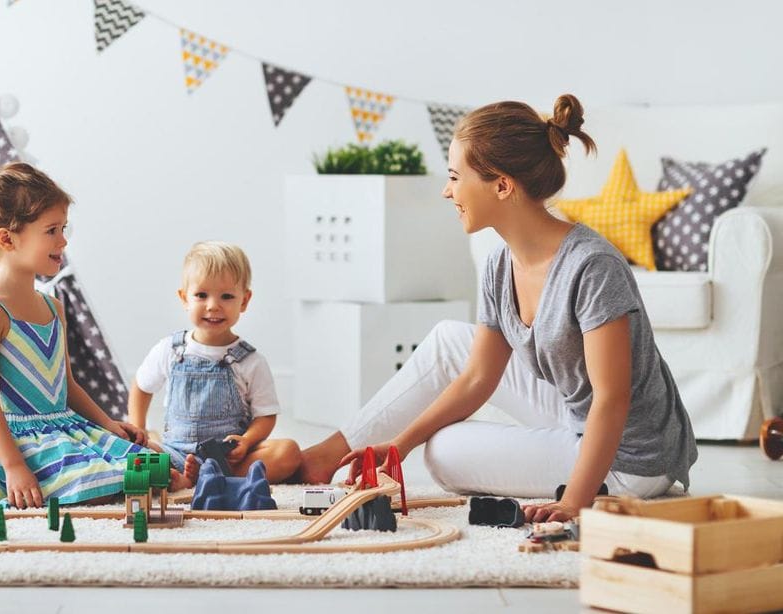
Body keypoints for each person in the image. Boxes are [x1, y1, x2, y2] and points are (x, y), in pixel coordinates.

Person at [299, 94, 698, 522]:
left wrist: (572, 502)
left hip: (631, 458)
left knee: (444, 453)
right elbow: (477, 377)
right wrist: (400, 444)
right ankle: (335, 452)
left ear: (502, 186)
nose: (446, 190)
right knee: (448, 340)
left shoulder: (592, 266)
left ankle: (588, 478)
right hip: (575, 413)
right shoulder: (498, 264)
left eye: (455, 177)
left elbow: (612, 399)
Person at [0, 150, 198, 508]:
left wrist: (109, 424)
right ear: (7, 239)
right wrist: (14, 466)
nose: (63, 241)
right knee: (104, 481)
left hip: (59, 429)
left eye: (63, 229)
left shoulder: (52, 305)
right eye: (51, 231)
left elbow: (67, 385)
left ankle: (175, 479)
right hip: (7, 441)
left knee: (155, 462)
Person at [128, 241, 301, 483]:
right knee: (138, 458)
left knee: (288, 452)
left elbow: (265, 416)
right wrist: (139, 430)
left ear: (244, 301)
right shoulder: (170, 349)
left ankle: (207, 479)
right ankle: (186, 478)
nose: (213, 306)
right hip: (175, 453)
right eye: (201, 295)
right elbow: (141, 387)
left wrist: (248, 441)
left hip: (228, 458)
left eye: (227, 296)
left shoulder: (251, 361)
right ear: (184, 298)